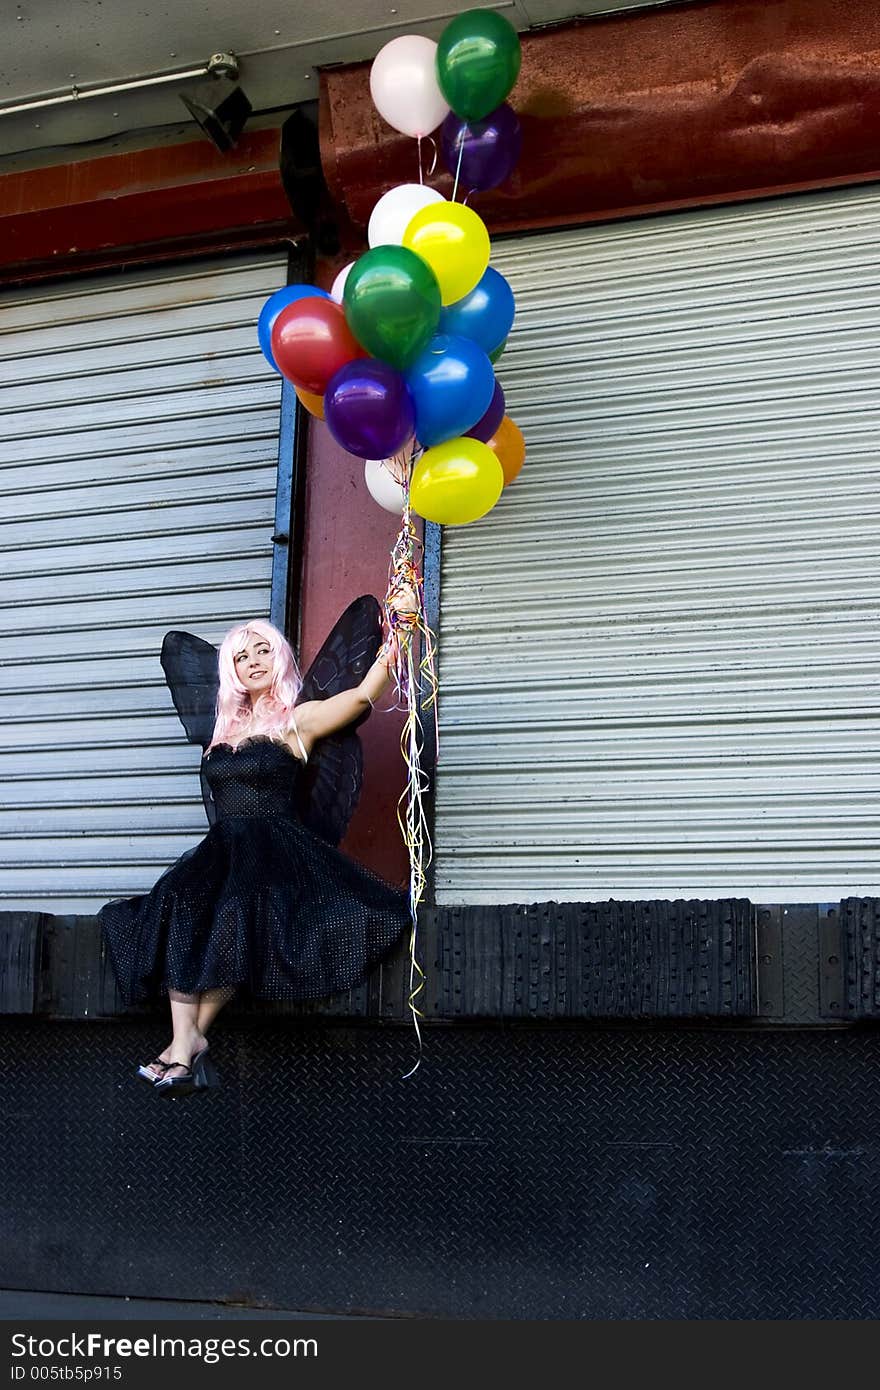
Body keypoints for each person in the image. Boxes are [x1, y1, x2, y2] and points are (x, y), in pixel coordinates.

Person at [98, 589, 415, 1098]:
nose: (252, 662)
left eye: (262, 650)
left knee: (236, 918)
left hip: (275, 847)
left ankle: (182, 1049)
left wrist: (397, 636)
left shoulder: (298, 720)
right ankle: (188, 1043)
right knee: (180, 906)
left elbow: (359, 698)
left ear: (280, 656)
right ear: (231, 671)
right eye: (241, 657)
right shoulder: (224, 728)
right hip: (222, 847)